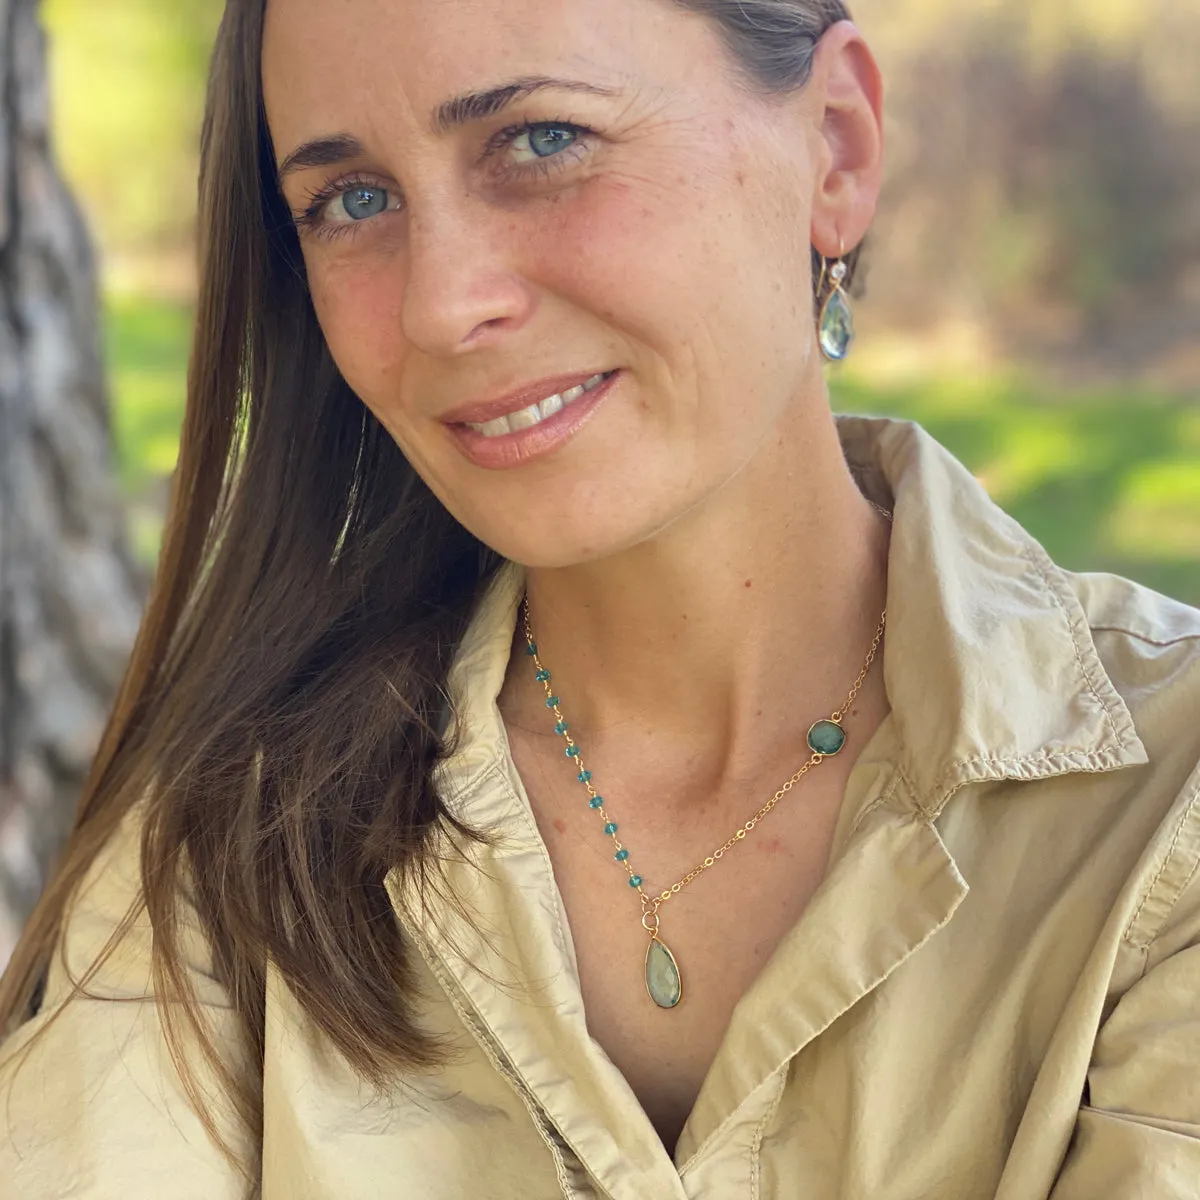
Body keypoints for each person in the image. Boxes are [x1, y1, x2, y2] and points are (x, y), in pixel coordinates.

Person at [2, 0, 1198, 1196]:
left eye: (539, 142)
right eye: (352, 201)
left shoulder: (1165, 817)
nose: (440, 306)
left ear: (835, 147)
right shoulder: (226, 845)